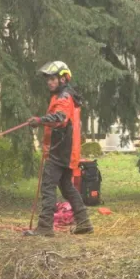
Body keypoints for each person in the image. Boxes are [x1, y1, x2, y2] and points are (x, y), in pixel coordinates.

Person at [25, 61, 93, 237]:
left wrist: (39, 121)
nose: (49, 82)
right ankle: (84, 222)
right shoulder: (64, 95)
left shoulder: (63, 97)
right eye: (48, 79)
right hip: (67, 151)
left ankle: (45, 227)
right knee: (66, 187)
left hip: (60, 152)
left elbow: (60, 119)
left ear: (63, 78)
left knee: (48, 186)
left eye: (53, 78)